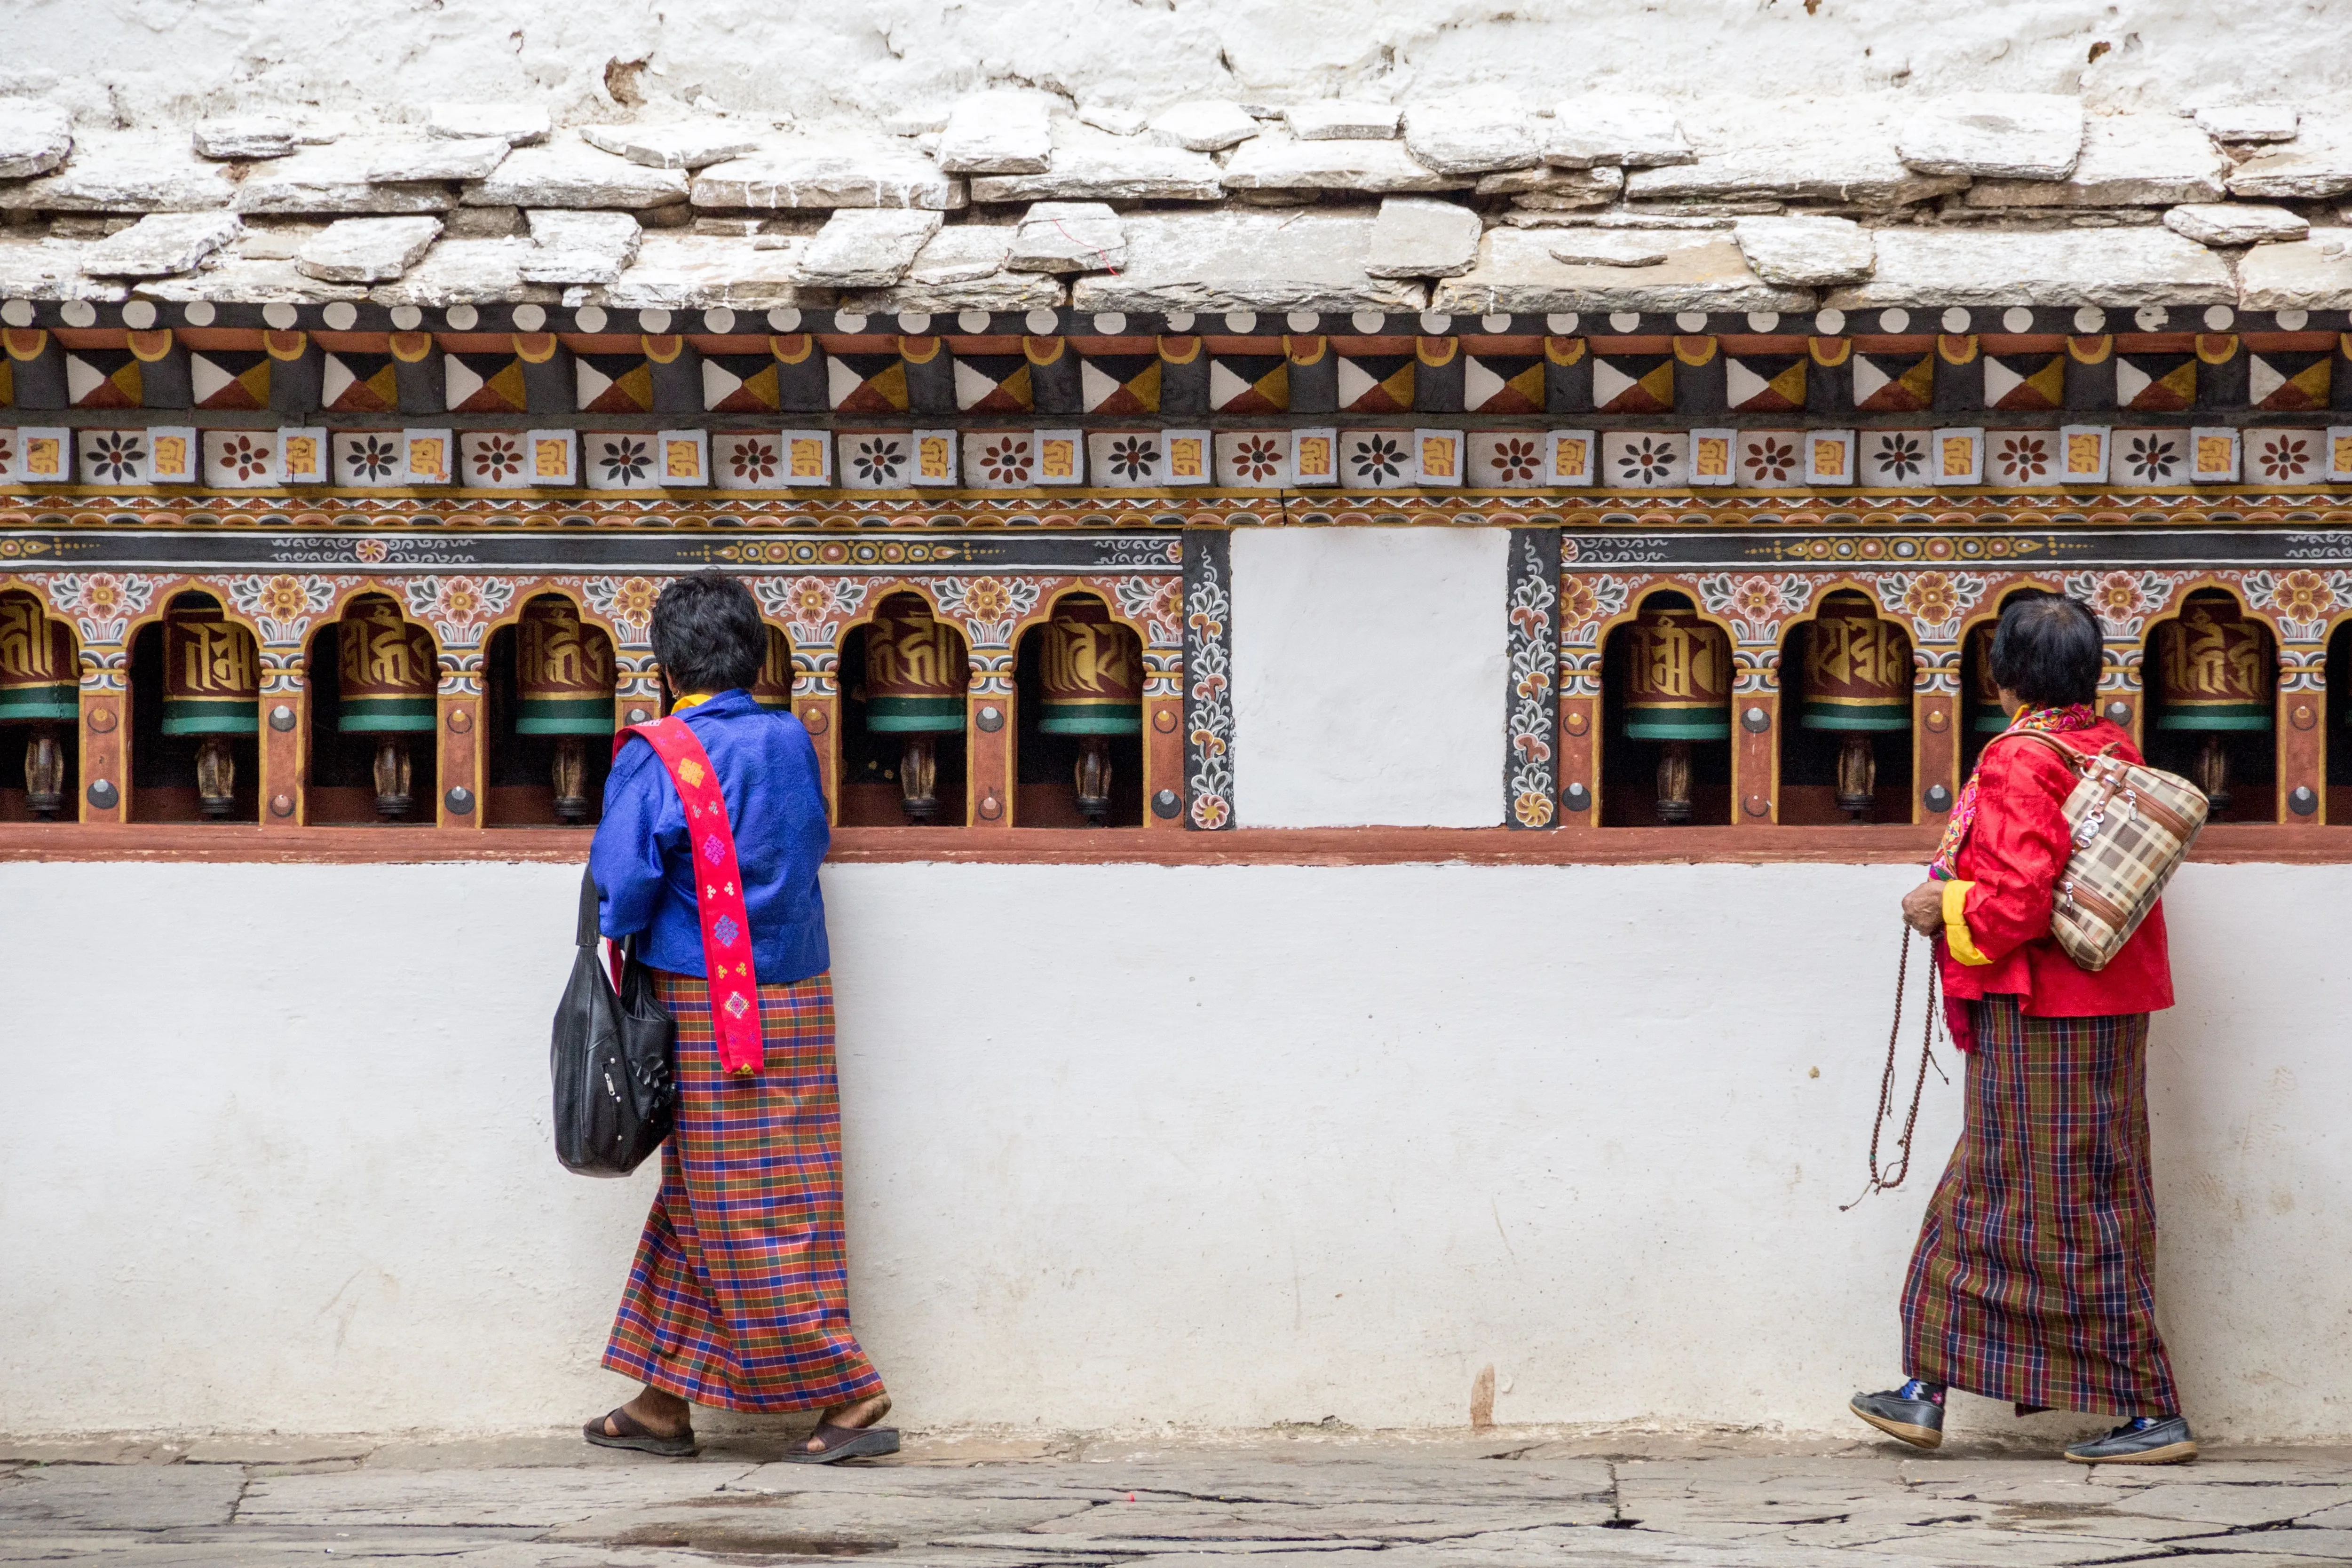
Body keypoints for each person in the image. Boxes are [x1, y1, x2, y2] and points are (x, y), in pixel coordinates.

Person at [1851, 592, 2195, 1465]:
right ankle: (1926, 1390)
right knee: (1999, 1192)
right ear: (2090, 671)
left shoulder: (2018, 761)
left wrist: (1941, 903)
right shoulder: (2106, 746)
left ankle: (2154, 1409)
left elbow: (2015, 902)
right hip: (2097, 1014)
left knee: (2072, 1205)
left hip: (2042, 1013)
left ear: (2000, 675)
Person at [581, 571, 896, 1463]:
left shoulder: (660, 752)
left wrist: (616, 937)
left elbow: (627, 881)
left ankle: (853, 1391)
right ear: (753, 659)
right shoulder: (789, 737)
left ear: (669, 662)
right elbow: (812, 840)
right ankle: (661, 1403)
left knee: (747, 1203)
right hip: (796, 992)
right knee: (709, 1192)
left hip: (710, 1006)